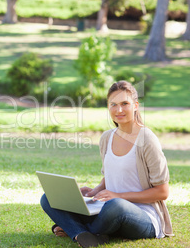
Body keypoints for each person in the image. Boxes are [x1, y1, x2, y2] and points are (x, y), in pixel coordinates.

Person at [40, 81, 173, 247]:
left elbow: (162, 192)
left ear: (136, 106)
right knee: (49, 198)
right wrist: (95, 191)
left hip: (142, 216)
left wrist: (119, 196)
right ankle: (84, 233)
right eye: (113, 105)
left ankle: (74, 230)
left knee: (115, 206)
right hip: (107, 209)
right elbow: (110, 177)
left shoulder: (147, 139)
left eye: (125, 104)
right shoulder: (107, 138)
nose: (119, 110)